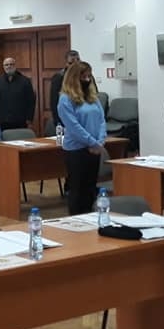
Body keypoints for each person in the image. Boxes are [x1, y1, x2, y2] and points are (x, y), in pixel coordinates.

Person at [57, 62, 106, 215]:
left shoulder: (93, 97)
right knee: (78, 190)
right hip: (76, 150)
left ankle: (91, 219)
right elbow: (73, 127)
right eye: (83, 77)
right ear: (74, 78)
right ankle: (76, 220)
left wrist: (100, 141)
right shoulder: (65, 99)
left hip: (94, 149)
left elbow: (102, 120)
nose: (87, 80)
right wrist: (92, 142)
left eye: (89, 76)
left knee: (91, 189)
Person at [0, 56, 36, 131]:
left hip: (21, 121)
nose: (9, 66)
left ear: (15, 66)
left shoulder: (25, 81)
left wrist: (29, 119)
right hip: (3, 121)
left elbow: (31, 101)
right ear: (3, 67)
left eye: (11, 64)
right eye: (6, 65)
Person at [50, 50, 80, 128]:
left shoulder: (85, 76)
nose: (74, 65)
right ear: (66, 63)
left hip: (81, 115)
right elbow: (54, 101)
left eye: (77, 62)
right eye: (71, 63)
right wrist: (57, 121)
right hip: (65, 117)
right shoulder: (59, 77)